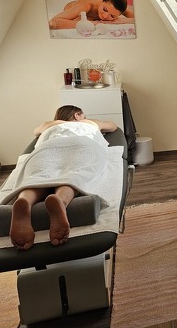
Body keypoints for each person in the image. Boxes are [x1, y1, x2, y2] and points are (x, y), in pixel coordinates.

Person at [9, 105, 118, 251]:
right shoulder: (88, 123)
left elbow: (36, 131)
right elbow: (112, 126)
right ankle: (60, 200)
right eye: (83, 115)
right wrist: (88, 121)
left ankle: (25, 202)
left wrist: (55, 123)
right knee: (76, 174)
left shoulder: (49, 125)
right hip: (82, 144)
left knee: (37, 176)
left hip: (48, 147)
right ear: (77, 115)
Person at [48, 0, 135, 30]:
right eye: (104, 9)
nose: (105, 16)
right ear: (102, 1)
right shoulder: (87, 4)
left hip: (78, 2)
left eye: (112, 16)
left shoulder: (117, 9)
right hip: (62, 2)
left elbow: (138, 19)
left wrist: (122, 20)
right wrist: (90, 23)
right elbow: (54, 22)